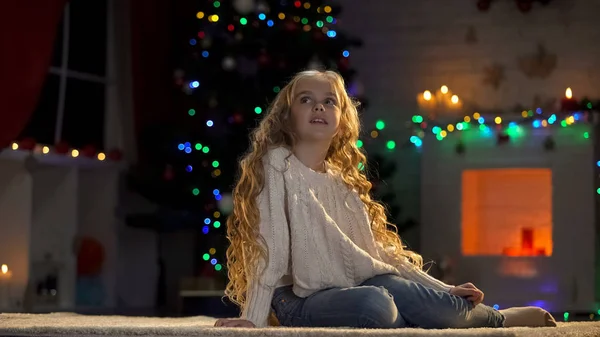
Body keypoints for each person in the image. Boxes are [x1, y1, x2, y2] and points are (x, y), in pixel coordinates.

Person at [214, 70, 557, 329]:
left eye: (329, 100)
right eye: (306, 99)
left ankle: (499, 319)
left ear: (341, 120)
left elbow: (378, 254)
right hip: (298, 299)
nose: (319, 105)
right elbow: (270, 250)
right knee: (375, 304)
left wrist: (443, 288)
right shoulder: (277, 164)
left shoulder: (341, 181)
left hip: (359, 283)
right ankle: (418, 318)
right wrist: (254, 321)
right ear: (287, 116)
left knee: (403, 292)